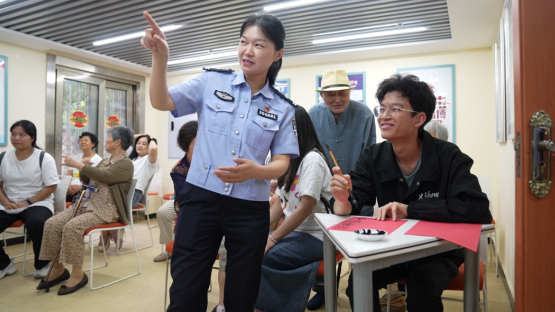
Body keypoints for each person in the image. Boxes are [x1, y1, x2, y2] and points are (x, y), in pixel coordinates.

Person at [141, 10, 299, 312]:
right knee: (187, 291)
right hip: (200, 200)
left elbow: (282, 162)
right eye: (243, 41)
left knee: (242, 293)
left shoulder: (282, 108)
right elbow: (161, 101)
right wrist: (160, 58)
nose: (248, 51)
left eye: (259, 45)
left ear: (278, 53)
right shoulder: (211, 82)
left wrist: (258, 171)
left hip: (250, 208)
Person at [330, 74, 492, 312]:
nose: (383, 116)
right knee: (357, 283)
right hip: (391, 248)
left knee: (422, 291)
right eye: (382, 108)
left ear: (419, 119)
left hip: (438, 252)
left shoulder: (448, 156)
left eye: (395, 109)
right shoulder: (373, 156)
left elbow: (477, 209)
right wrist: (342, 199)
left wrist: (410, 209)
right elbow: (351, 203)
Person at [307, 69, 376, 309]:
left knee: (360, 243)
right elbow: (306, 152)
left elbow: (370, 154)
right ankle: (324, 290)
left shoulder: (365, 115)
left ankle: (362, 289)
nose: (337, 99)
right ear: (322, 96)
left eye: (342, 93)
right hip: (324, 191)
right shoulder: (312, 115)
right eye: (330, 94)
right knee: (324, 242)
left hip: (358, 190)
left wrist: (357, 183)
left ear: (350, 92)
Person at [38, 126, 134, 295]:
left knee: (72, 227)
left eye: (109, 137)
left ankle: (77, 274)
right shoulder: (105, 161)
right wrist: (84, 168)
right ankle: (58, 269)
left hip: (106, 210)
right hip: (86, 204)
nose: (105, 141)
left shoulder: (126, 163)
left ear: (118, 142)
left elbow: (105, 177)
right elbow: (90, 180)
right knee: (52, 223)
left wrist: (79, 165)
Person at [255, 105, 332, 312]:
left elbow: (305, 208)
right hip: (299, 233)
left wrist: (272, 239)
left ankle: (271, 307)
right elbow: (280, 205)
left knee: (267, 256)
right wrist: (261, 233)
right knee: (252, 250)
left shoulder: (313, 159)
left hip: (318, 236)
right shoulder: (289, 160)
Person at [0, 120, 59, 280]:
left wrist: (29, 202)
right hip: (10, 203)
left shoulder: (43, 158)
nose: (16, 138)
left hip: (38, 202)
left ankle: (42, 264)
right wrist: (5, 202)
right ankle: (4, 264)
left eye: (22, 135)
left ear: (32, 138)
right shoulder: (4, 157)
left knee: (37, 222)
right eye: (13, 134)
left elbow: (51, 186)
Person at [99, 132, 159, 252]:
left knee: (108, 204)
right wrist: (143, 135)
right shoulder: (129, 159)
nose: (140, 145)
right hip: (119, 190)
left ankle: (109, 232)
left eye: (144, 144)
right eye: (138, 143)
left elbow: (153, 148)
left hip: (133, 195)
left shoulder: (150, 161)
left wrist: (152, 138)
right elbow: (123, 139)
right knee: (101, 202)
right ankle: (110, 231)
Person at [154, 120, 197, 262]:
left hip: (205, 204)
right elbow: (185, 198)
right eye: (196, 146)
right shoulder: (178, 170)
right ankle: (168, 247)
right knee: (163, 212)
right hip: (182, 200)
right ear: (186, 148)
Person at [65, 132, 102, 203]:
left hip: (85, 189)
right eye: (81, 140)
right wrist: (67, 185)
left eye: (86, 140)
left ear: (93, 144)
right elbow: (69, 173)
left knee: (76, 204)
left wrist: (81, 187)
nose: (83, 142)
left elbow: (97, 180)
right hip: (70, 189)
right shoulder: (76, 157)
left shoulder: (98, 159)